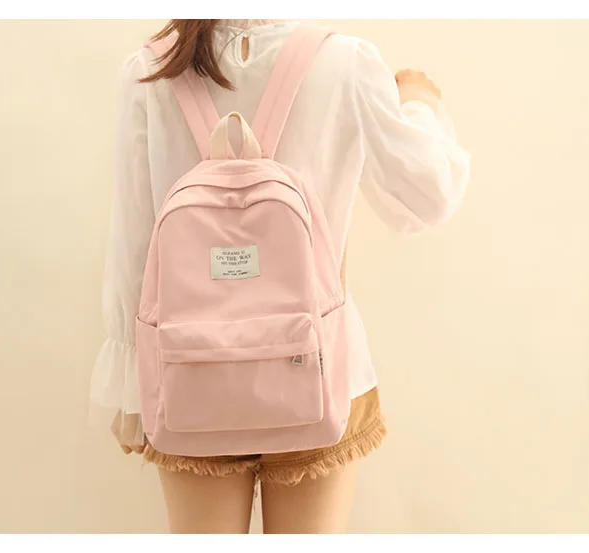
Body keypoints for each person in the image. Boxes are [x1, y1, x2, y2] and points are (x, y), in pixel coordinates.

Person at [90, 19, 470, 533]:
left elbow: (134, 242)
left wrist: (130, 385)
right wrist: (418, 101)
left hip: (191, 371)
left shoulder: (152, 70)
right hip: (322, 370)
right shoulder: (346, 63)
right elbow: (427, 196)